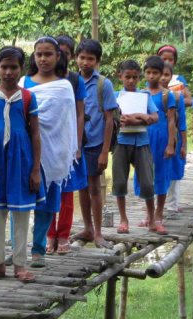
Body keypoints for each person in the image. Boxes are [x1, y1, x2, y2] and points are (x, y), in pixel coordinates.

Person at [0, 46, 43, 283]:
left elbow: (36, 134)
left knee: (21, 214)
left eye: (14, 67)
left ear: (22, 69)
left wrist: (36, 168)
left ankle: (20, 264)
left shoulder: (28, 97)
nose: (8, 72)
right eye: (4, 67)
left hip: (21, 160)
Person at [20, 37, 77, 267]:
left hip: (54, 153)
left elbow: (66, 122)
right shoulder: (23, 82)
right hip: (25, 151)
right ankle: (17, 249)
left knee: (47, 202)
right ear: (33, 56)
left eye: (48, 54)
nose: (43, 59)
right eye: (39, 54)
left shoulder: (64, 86)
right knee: (21, 201)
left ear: (58, 56)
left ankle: (38, 249)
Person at [71, 38, 116, 248]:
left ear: (97, 61)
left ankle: (98, 232)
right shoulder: (72, 81)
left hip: (96, 143)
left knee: (95, 187)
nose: (85, 62)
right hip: (76, 143)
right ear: (76, 58)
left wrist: (104, 151)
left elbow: (109, 119)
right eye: (82, 57)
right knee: (82, 186)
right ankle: (87, 228)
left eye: (90, 58)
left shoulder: (103, 84)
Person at [46, 35, 87, 255]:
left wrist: (76, 143)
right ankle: (49, 234)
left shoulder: (75, 80)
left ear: (70, 56)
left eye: (65, 53)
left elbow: (80, 114)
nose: (60, 56)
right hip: (46, 143)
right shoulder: (40, 79)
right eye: (57, 52)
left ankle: (63, 235)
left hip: (68, 143)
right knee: (47, 190)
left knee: (67, 194)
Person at [112, 59, 159, 234]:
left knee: (147, 182)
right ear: (121, 77)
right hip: (121, 142)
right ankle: (124, 218)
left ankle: (152, 218)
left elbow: (154, 117)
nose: (131, 81)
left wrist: (138, 117)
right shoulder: (117, 96)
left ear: (139, 78)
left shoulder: (144, 96)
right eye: (127, 77)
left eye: (134, 77)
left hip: (142, 142)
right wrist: (120, 119)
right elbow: (110, 117)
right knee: (119, 181)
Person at [135, 55, 175, 234]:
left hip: (161, 139)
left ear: (162, 74)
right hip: (144, 139)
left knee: (161, 175)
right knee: (146, 177)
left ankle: (159, 214)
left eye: (155, 73)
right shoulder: (140, 94)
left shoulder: (168, 95)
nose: (151, 76)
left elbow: (172, 120)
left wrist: (171, 144)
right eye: (148, 72)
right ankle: (149, 215)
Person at [162, 62, 188, 217]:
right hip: (155, 140)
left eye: (167, 75)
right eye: (161, 74)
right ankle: (154, 205)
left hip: (174, 141)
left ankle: (172, 205)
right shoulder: (147, 95)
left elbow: (182, 123)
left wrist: (184, 144)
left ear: (171, 77)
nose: (163, 78)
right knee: (156, 172)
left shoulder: (177, 98)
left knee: (174, 172)